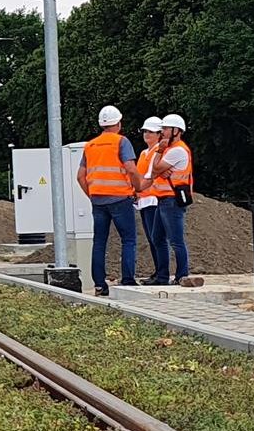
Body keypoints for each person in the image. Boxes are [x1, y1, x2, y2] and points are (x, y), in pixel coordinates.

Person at [76, 105, 146, 297]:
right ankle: (128, 281)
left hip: (98, 200)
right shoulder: (121, 142)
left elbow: (80, 176)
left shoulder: (90, 145)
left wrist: (92, 194)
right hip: (120, 198)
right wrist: (138, 187)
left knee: (99, 241)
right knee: (128, 240)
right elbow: (131, 169)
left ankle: (99, 284)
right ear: (118, 123)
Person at [148, 113, 199, 285]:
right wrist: (159, 168)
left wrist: (160, 153)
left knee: (175, 240)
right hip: (163, 199)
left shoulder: (176, 150)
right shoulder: (171, 150)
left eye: (166, 129)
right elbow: (155, 169)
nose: (162, 132)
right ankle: (163, 277)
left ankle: (181, 275)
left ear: (176, 131)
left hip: (171, 200)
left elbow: (154, 169)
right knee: (158, 238)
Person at [135, 117, 173, 285]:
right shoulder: (144, 153)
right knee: (152, 239)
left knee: (157, 239)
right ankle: (158, 271)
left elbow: (153, 174)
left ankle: (162, 274)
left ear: (159, 134)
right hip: (144, 199)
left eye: (150, 131)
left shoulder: (160, 151)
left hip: (154, 199)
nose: (146, 134)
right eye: (145, 131)